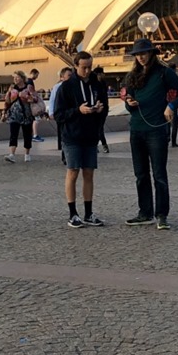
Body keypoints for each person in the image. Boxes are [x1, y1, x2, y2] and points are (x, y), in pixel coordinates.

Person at [122, 38, 178, 230]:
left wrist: (171, 106)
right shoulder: (133, 75)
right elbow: (129, 99)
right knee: (140, 174)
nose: (141, 57)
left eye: (144, 53)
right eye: (138, 54)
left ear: (151, 53)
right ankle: (145, 212)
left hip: (156, 130)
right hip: (137, 129)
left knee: (159, 174)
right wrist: (130, 103)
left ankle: (161, 215)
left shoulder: (164, 73)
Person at [54, 52, 107, 228]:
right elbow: (58, 114)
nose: (87, 70)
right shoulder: (66, 87)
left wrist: (99, 109)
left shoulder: (97, 84)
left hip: (90, 135)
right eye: (84, 67)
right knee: (73, 172)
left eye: (89, 67)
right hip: (72, 136)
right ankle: (73, 213)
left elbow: (104, 106)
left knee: (89, 173)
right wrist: (78, 110)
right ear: (76, 65)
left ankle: (89, 212)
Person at [4, 70, 34, 163]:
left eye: (17, 77)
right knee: (13, 134)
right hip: (14, 114)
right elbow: (7, 101)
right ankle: (12, 155)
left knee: (27, 134)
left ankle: (27, 154)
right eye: (14, 77)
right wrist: (8, 93)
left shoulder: (28, 87)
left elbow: (34, 98)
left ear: (22, 78)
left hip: (26, 114)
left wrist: (28, 98)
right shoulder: (12, 88)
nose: (15, 79)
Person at [49, 67, 73, 164]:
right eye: (69, 76)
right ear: (62, 77)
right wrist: (51, 112)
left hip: (72, 114)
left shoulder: (75, 86)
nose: (71, 78)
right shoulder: (57, 87)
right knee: (63, 135)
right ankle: (65, 155)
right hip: (61, 114)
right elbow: (52, 100)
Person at [92, 66, 110, 153]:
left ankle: (101, 145)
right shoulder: (95, 84)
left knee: (99, 128)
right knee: (98, 128)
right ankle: (103, 145)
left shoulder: (102, 84)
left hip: (103, 108)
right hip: (97, 108)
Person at [27, 68, 45, 143]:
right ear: (33, 73)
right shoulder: (30, 81)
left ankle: (33, 135)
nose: (37, 77)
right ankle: (35, 135)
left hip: (30, 102)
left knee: (34, 119)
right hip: (32, 103)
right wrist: (35, 98)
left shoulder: (28, 81)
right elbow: (30, 91)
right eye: (37, 75)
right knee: (36, 119)